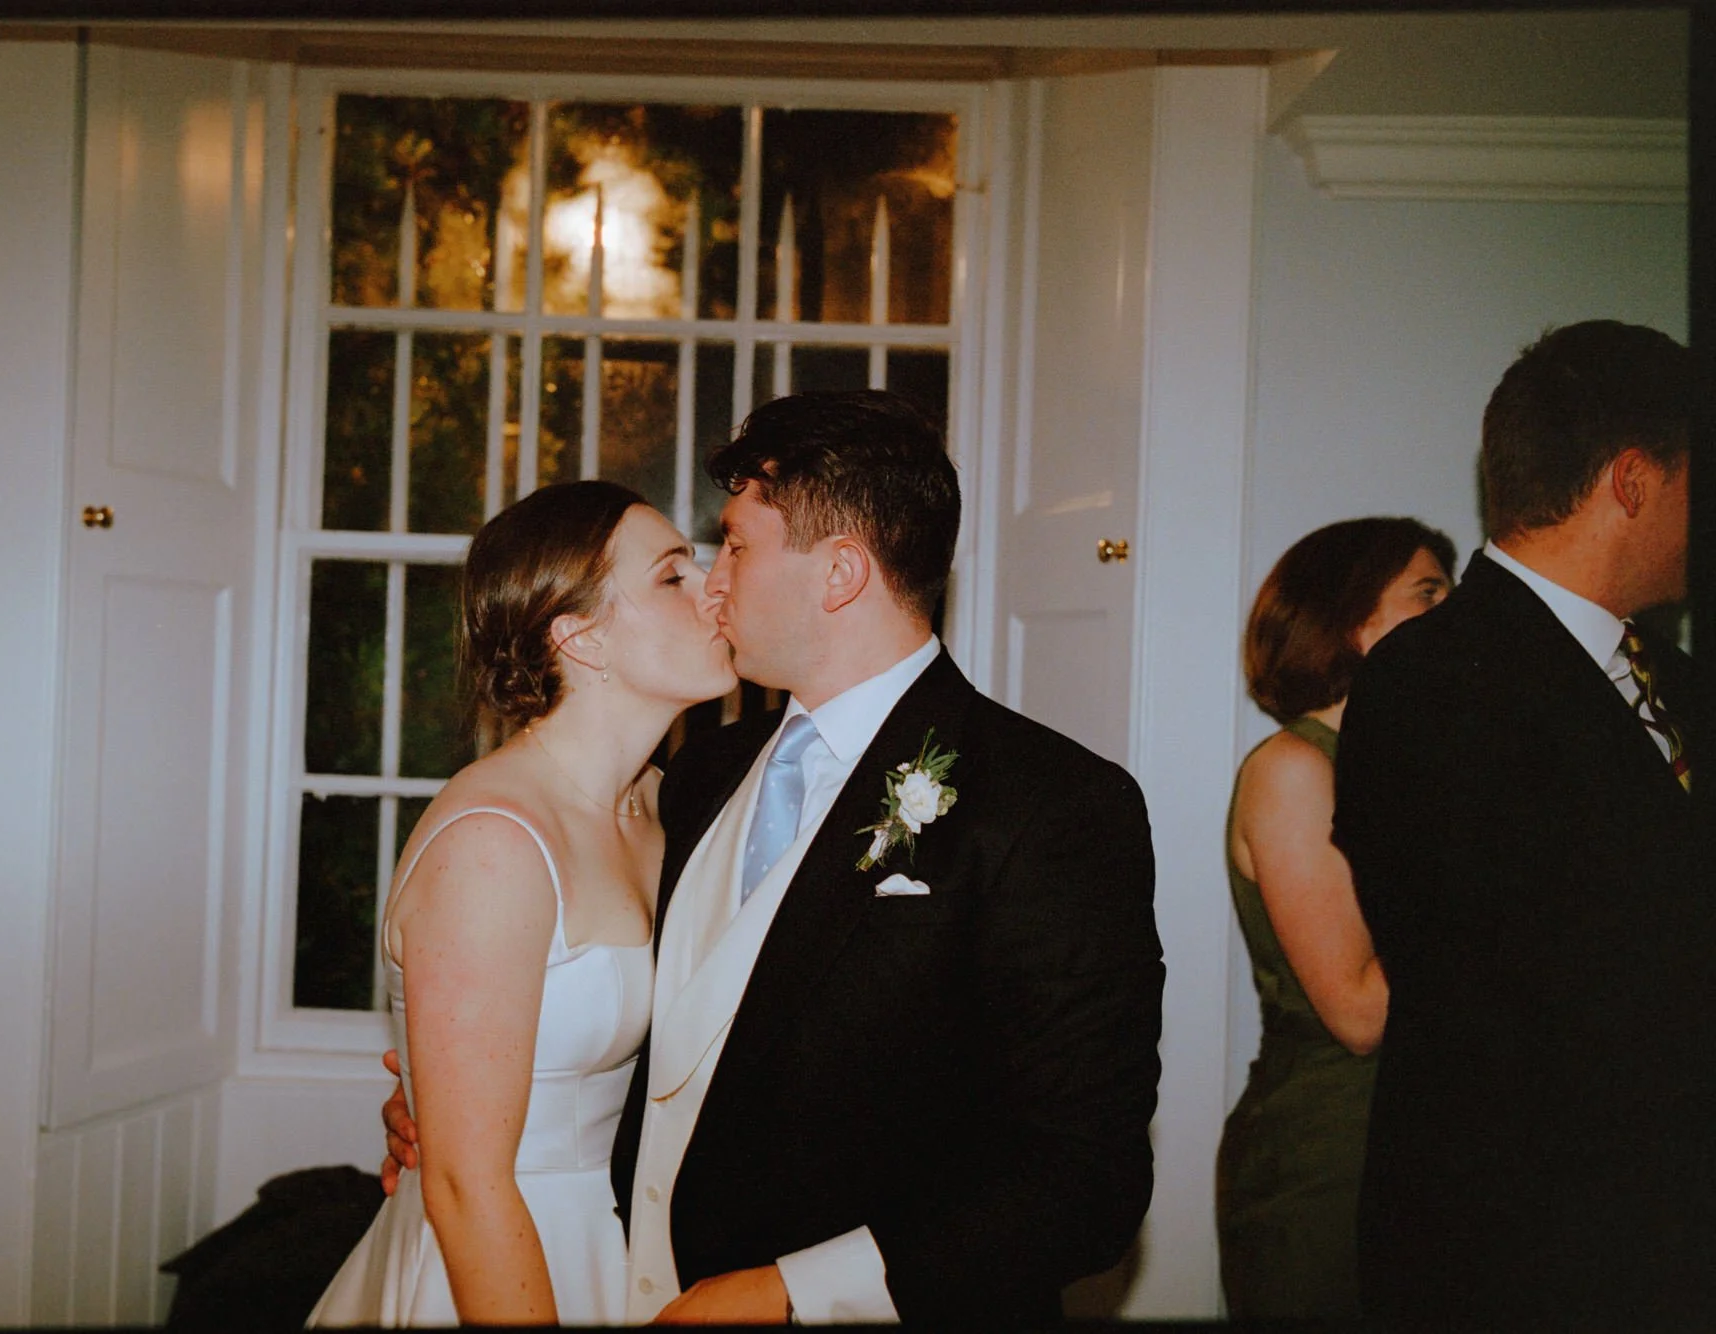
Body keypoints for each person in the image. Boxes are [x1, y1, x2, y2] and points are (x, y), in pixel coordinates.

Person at [385, 390, 1164, 1324]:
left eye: (738, 549)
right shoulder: (696, 776)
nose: (715, 585)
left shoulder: (1052, 807)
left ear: (839, 573)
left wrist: (789, 1294)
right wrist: (472, 1104)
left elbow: (1085, 1178)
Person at [1333, 320, 1708, 1325]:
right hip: (1518, 1249)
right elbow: (1496, 982)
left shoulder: (1672, 679)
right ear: (1632, 480)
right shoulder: (1428, 680)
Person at [308, 480, 737, 1326]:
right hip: (499, 1254)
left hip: (626, 1246)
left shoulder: (665, 804)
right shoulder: (494, 843)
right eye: (673, 576)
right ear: (579, 636)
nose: (715, 589)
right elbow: (468, 1183)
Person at [1216, 517, 1455, 1318]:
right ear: (1351, 622)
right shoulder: (1292, 770)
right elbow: (1358, 1012)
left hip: (1423, 1140)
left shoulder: (1401, 769)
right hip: (1328, 1153)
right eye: (1429, 593)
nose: (1455, 614)